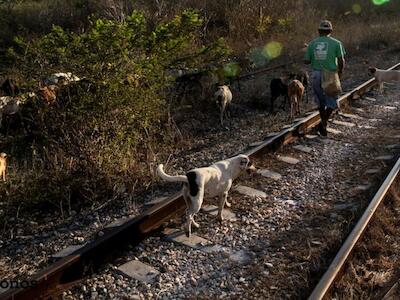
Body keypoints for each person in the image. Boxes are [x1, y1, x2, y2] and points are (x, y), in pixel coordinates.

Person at [304, 20, 345, 136]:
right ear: (330, 31)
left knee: (321, 103)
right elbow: (342, 61)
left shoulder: (312, 44)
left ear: (319, 31)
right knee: (332, 101)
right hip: (331, 75)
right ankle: (323, 123)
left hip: (316, 75)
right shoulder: (337, 43)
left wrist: (309, 53)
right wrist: (340, 73)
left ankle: (323, 125)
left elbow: (306, 61)